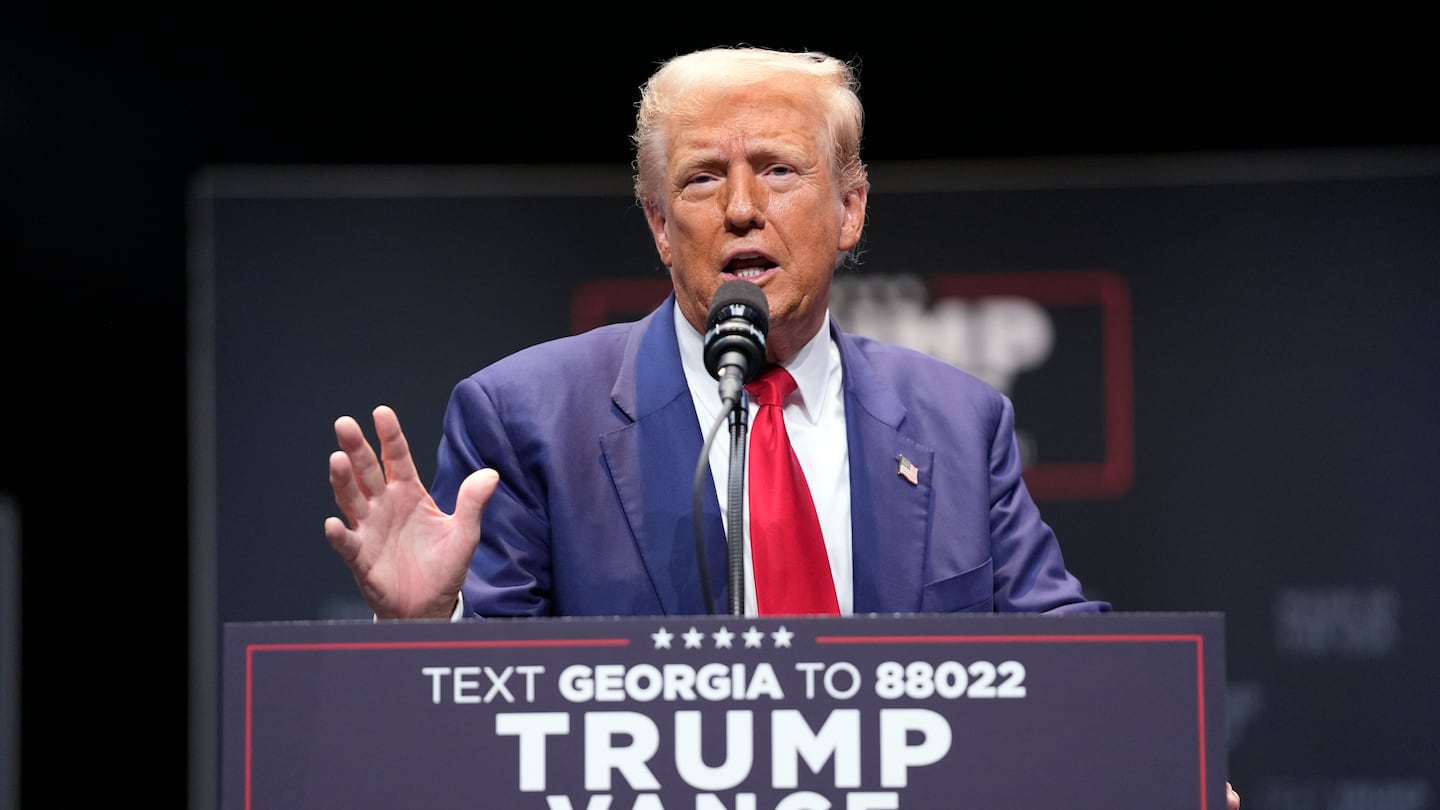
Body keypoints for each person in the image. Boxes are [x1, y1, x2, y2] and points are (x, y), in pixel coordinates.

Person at [324, 44, 1239, 808]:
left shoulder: (960, 424)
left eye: (777, 170)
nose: (740, 208)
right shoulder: (527, 416)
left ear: (850, 209)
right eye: (700, 180)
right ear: (657, 224)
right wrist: (426, 629)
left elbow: (1059, 654)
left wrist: (1157, 758)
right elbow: (492, 742)